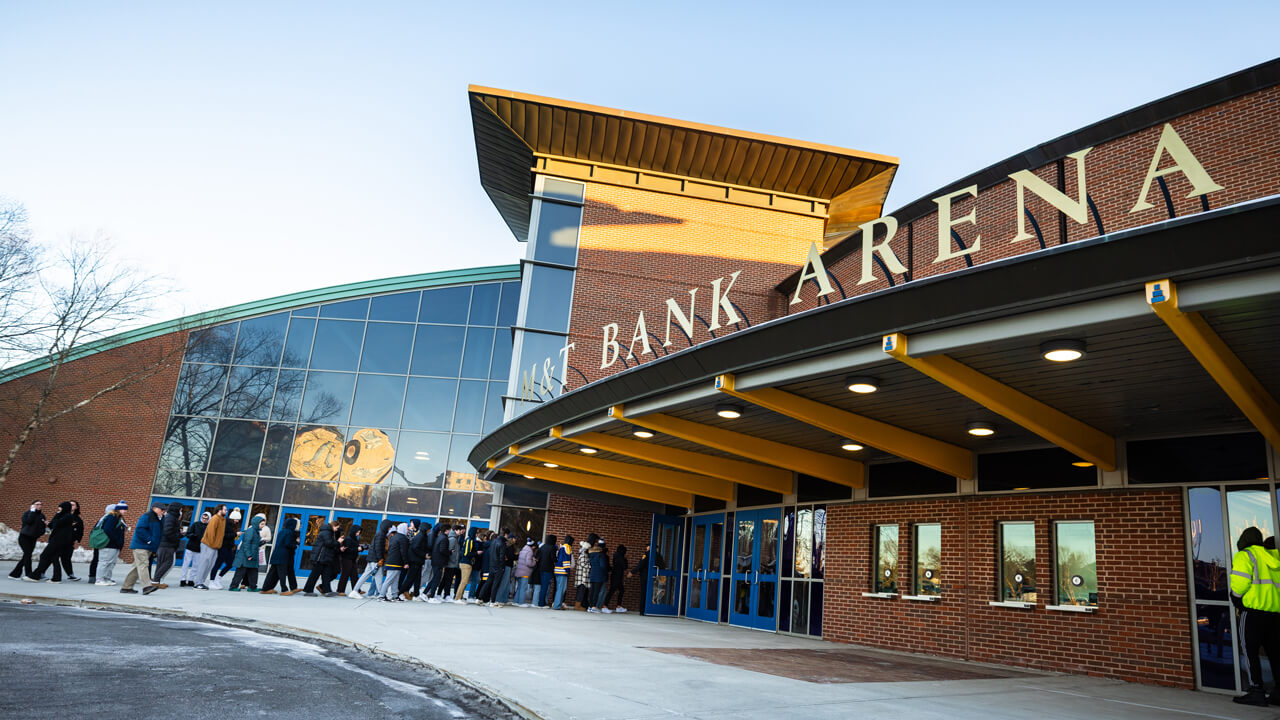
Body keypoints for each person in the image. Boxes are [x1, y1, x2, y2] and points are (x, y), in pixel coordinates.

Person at [1231, 527, 1280, 706]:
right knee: (1275, 653)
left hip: (1253, 613)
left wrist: (1235, 599)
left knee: (1250, 652)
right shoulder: (1273, 557)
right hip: (1274, 613)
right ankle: (1278, 691)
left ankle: (1256, 690)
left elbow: (1240, 584)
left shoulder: (1245, 555)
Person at [27, 501, 75, 583]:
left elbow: (56, 523)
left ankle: (35, 575)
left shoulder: (68, 516)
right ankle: (56, 578)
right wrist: (48, 524)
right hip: (57, 540)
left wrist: (57, 514)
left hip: (58, 541)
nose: (58, 509)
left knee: (44, 556)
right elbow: (53, 525)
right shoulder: (64, 515)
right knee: (54, 558)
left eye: (60, 507)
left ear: (64, 508)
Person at [122, 504, 164, 595]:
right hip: (141, 546)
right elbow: (140, 529)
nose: (163, 511)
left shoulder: (159, 518)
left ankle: (126, 587)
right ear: (154, 509)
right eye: (161, 509)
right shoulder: (147, 516)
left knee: (137, 567)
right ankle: (146, 587)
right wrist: (149, 540)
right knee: (143, 565)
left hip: (148, 546)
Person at [351, 519, 392, 599]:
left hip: (372, 558)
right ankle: (381, 595)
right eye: (389, 527)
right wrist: (381, 558)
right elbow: (378, 548)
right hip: (376, 559)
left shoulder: (379, 534)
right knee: (379, 576)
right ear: (386, 527)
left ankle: (355, 591)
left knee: (365, 575)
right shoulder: (381, 535)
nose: (389, 529)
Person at [261, 517, 299, 596]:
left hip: (276, 554)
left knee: (272, 573)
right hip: (283, 555)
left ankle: (265, 588)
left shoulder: (282, 531)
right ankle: (284, 590)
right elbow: (288, 543)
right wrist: (296, 544)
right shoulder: (290, 532)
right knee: (282, 573)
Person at [228, 513, 267, 591]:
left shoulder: (256, 532)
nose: (263, 526)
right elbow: (246, 544)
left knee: (253, 571)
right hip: (245, 557)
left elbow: (254, 544)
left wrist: (261, 543)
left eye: (264, 524)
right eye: (262, 524)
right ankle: (233, 586)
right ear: (256, 523)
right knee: (240, 572)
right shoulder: (250, 531)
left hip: (252, 556)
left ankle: (252, 587)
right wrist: (249, 555)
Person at [302, 519, 341, 597]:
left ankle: (327, 591)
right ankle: (308, 590)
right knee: (314, 575)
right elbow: (328, 543)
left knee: (326, 574)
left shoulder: (328, 532)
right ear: (333, 526)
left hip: (325, 557)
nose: (337, 530)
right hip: (320, 557)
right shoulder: (327, 532)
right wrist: (338, 542)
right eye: (337, 528)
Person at [8, 500, 46, 580]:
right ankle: (28, 574)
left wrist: (40, 533)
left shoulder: (42, 516)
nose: (39, 506)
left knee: (26, 556)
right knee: (28, 555)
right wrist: (32, 512)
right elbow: (28, 521)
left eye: (41, 504)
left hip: (33, 538)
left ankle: (14, 574)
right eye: (37, 504)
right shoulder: (27, 513)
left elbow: (43, 527)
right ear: (32, 505)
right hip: (24, 537)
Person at [193, 504, 227, 590]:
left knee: (209, 565)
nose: (226, 511)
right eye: (225, 510)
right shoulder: (215, 518)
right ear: (220, 510)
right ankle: (198, 583)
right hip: (208, 545)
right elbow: (211, 533)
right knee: (203, 564)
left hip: (215, 546)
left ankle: (202, 582)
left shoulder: (222, 520)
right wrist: (212, 544)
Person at [95, 502, 129, 585]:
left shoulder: (118, 518)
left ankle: (106, 578)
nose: (125, 511)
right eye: (124, 509)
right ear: (118, 509)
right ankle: (99, 579)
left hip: (115, 545)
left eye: (125, 509)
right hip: (108, 544)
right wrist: (116, 539)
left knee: (111, 563)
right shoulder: (111, 517)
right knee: (104, 562)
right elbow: (108, 530)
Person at [152, 501, 184, 588]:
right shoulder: (171, 518)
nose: (181, 512)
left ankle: (157, 581)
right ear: (176, 509)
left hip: (166, 544)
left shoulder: (171, 517)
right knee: (168, 563)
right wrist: (178, 535)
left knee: (162, 563)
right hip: (167, 545)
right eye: (181, 510)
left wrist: (178, 533)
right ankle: (156, 581)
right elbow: (167, 531)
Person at [422, 523, 451, 603]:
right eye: (449, 530)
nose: (450, 531)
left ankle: (425, 593)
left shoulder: (439, 537)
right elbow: (442, 550)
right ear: (446, 530)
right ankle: (431, 597)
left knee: (435, 578)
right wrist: (449, 552)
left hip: (436, 561)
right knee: (436, 579)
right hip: (439, 561)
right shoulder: (444, 538)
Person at [87, 503, 116, 584]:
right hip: (103, 542)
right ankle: (95, 577)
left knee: (96, 559)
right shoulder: (108, 518)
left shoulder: (102, 519)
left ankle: (93, 577)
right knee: (100, 560)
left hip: (98, 541)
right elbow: (108, 530)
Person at [180, 511, 210, 587]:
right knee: (186, 563)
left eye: (206, 518)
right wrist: (193, 535)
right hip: (190, 547)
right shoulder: (195, 524)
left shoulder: (209, 527)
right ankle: (183, 579)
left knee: (195, 565)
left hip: (199, 549)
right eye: (203, 518)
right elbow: (188, 533)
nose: (204, 519)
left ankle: (191, 579)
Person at [382, 523, 410, 601]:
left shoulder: (394, 537)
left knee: (395, 580)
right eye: (407, 528)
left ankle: (395, 596)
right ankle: (381, 596)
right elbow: (403, 552)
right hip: (395, 563)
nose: (408, 530)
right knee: (389, 580)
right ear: (403, 529)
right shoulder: (403, 538)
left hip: (391, 561)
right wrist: (406, 562)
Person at [57, 501, 84, 581]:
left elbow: (80, 530)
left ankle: (70, 575)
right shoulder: (62, 515)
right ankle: (41, 572)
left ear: (76, 507)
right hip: (58, 540)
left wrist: (77, 539)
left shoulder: (78, 519)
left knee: (66, 558)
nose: (70, 506)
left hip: (69, 542)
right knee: (52, 557)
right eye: (70, 504)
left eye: (73, 505)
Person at [211, 509, 241, 581]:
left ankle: (218, 578)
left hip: (229, 547)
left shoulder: (233, 525)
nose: (237, 521)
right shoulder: (225, 524)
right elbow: (223, 535)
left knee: (230, 564)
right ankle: (212, 580)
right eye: (237, 519)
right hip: (223, 546)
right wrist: (235, 534)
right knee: (218, 563)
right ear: (233, 518)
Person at [402, 519, 427, 600]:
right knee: (409, 576)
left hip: (417, 558)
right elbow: (412, 545)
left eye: (412, 523)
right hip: (412, 557)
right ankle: (402, 591)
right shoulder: (411, 532)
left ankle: (415, 593)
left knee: (416, 577)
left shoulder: (420, 533)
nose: (410, 524)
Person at [454, 527, 479, 602]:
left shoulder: (470, 540)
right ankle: (457, 598)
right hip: (466, 563)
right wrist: (476, 553)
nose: (477, 534)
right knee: (464, 581)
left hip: (466, 563)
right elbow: (466, 553)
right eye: (476, 532)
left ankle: (460, 597)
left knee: (464, 581)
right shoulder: (469, 540)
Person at [336, 525, 362, 595]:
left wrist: (361, 548)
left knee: (354, 575)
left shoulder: (355, 539)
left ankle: (356, 590)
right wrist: (357, 549)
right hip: (346, 559)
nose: (358, 534)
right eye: (357, 532)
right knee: (345, 575)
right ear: (353, 531)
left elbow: (355, 548)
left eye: (359, 532)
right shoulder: (348, 539)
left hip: (352, 559)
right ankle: (340, 590)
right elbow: (347, 550)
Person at [588, 538, 611, 613]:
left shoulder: (591, 555)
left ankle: (590, 606)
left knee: (592, 591)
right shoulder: (601, 555)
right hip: (599, 575)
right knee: (596, 592)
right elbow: (603, 566)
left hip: (592, 574)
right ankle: (594, 607)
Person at [552, 534, 574, 610]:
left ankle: (558, 604)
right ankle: (557, 605)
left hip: (558, 570)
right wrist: (567, 571)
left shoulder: (561, 548)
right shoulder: (567, 548)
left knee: (560, 589)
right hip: (563, 571)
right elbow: (566, 561)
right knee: (561, 589)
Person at [536, 533, 558, 608]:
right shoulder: (552, 548)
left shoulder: (542, 547)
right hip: (548, 569)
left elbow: (538, 557)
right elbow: (553, 559)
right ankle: (541, 603)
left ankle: (542, 602)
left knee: (543, 586)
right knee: (545, 586)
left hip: (541, 568)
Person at [605, 544, 628, 612]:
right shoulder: (620, 557)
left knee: (620, 590)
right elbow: (625, 566)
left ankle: (618, 606)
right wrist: (625, 560)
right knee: (612, 591)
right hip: (617, 576)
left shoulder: (616, 556)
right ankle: (605, 606)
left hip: (615, 575)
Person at [514, 538, 536, 607]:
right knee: (523, 588)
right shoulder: (530, 552)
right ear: (532, 546)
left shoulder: (523, 550)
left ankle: (516, 601)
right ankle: (521, 602)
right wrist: (534, 561)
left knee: (519, 587)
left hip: (519, 571)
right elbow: (529, 563)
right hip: (525, 572)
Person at [574, 535, 593, 610]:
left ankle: (581, 605)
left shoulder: (583, 555)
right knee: (580, 592)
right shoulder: (583, 555)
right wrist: (591, 566)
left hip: (583, 577)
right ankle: (577, 606)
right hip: (582, 578)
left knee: (583, 592)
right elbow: (583, 565)